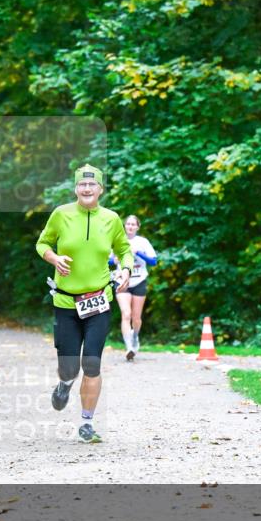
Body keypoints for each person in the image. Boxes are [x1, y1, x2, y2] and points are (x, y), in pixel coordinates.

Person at [36, 164, 133, 443]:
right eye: (82, 185)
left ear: (100, 189)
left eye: (92, 185)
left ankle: (86, 422)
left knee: (92, 362)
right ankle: (65, 383)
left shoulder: (111, 218)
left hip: (99, 301)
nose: (87, 189)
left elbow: (124, 250)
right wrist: (53, 258)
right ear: (76, 188)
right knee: (69, 367)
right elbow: (42, 244)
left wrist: (125, 269)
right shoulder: (61, 214)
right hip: (66, 302)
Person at [110, 215, 157, 361]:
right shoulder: (118, 240)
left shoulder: (142, 242)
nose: (130, 226)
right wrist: (114, 260)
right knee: (126, 314)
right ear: (124, 226)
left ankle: (135, 336)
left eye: (133, 224)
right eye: (128, 224)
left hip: (139, 281)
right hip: (122, 280)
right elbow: (107, 260)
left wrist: (138, 253)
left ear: (137, 227)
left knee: (136, 318)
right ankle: (129, 347)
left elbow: (154, 261)